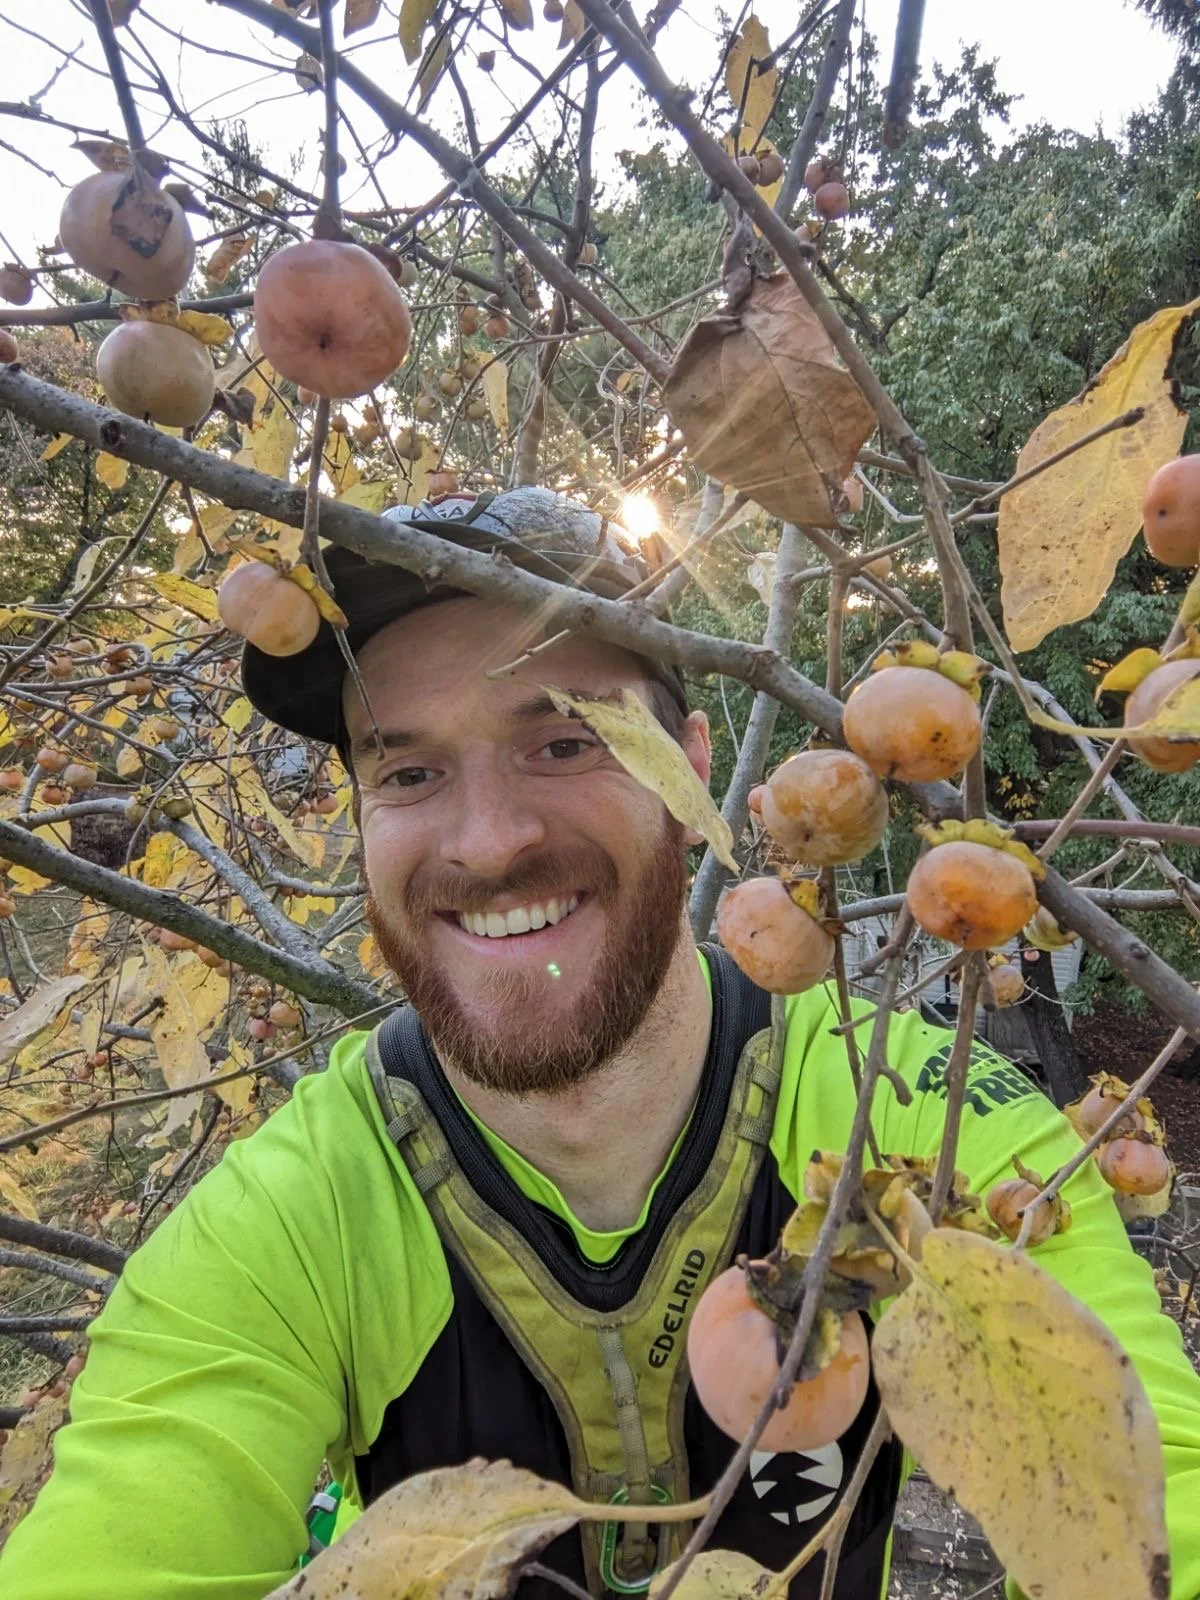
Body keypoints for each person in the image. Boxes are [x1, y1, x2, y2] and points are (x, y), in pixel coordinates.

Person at [1, 488, 1198, 1600]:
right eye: (410, 769)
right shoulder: (293, 1224)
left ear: (690, 768)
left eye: (567, 740)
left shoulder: (922, 1118)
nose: (487, 842)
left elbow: (1157, 1489)